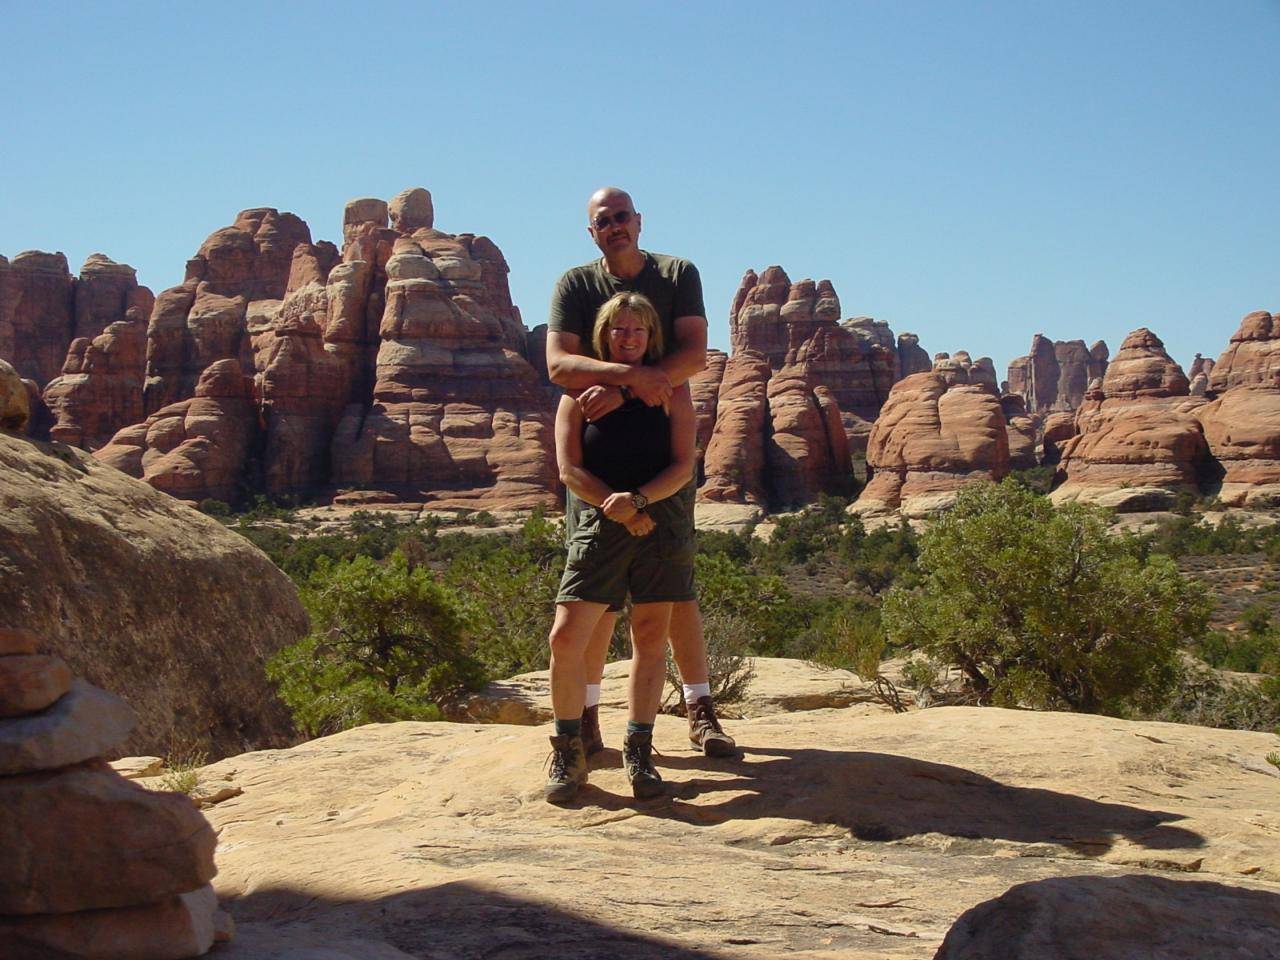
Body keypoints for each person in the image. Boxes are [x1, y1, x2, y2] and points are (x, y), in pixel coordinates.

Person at [546, 187, 736, 763]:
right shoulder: (576, 285)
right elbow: (558, 365)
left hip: (660, 461)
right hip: (602, 469)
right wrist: (630, 378)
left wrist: (626, 382)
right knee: (596, 601)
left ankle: (699, 709)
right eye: (603, 221)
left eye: (622, 217)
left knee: (673, 595)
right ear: (592, 232)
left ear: (638, 220)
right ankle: (588, 717)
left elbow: (695, 356)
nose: (615, 227)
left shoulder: (678, 272)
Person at [545, 292, 696, 803]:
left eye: (637, 330)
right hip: (601, 524)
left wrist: (639, 501)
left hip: (657, 522)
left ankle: (639, 749)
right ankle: (568, 750)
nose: (627, 338)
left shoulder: (674, 390)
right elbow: (569, 469)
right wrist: (617, 509)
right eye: (618, 330)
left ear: (651, 337)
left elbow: (683, 466)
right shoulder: (577, 392)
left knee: (650, 638)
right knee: (566, 638)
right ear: (602, 336)